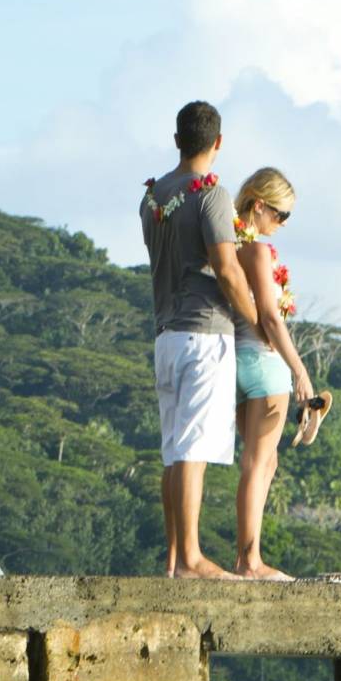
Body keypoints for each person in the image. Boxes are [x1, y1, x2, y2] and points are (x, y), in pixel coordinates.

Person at [140, 100, 259, 578]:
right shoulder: (211, 195)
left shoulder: (152, 198)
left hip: (165, 335)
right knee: (192, 449)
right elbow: (227, 271)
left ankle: (174, 560)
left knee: (174, 450)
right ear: (218, 143)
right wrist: (255, 322)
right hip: (203, 332)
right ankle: (191, 559)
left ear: (177, 141)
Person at [226, 168, 320, 579]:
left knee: (262, 460)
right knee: (259, 462)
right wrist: (300, 371)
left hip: (235, 362)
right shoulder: (259, 253)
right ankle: (250, 562)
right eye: (280, 215)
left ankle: (248, 558)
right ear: (259, 206)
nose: (282, 225)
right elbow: (270, 317)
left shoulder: (227, 248)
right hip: (266, 366)